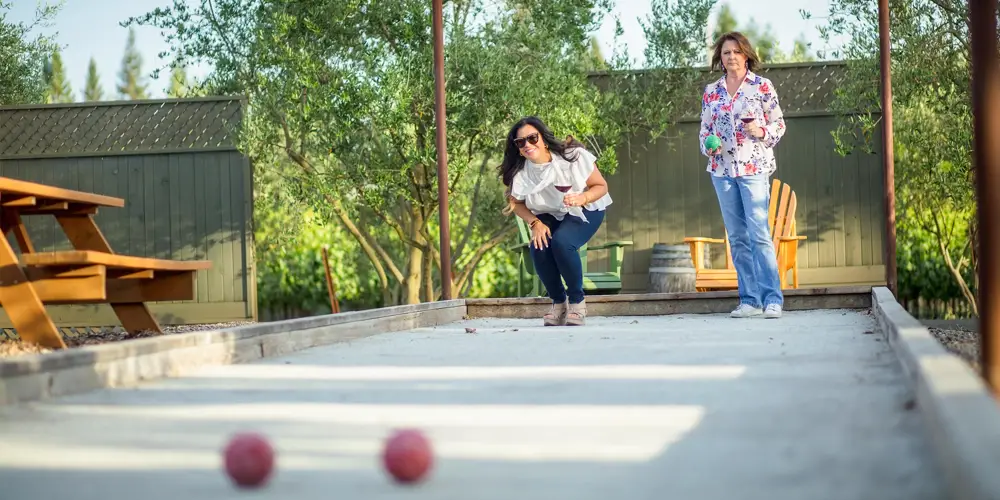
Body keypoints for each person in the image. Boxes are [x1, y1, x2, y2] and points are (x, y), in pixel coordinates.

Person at [699, 31, 787, 319]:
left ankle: (772, 299)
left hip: (754, 169)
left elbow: (779, 125)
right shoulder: (712, 91)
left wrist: (761, 131)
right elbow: (705, 132)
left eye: (736, 52)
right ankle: (749, 301)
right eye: (726, 53)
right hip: (722, 171)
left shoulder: (762, 87)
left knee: (759, 234)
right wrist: (709, 147)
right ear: (720, 59)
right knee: (737, 237)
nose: (731, 57)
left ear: (746, 55)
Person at [498, 116, 613, 327]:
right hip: (549, 212)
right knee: (539, 246)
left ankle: (578, 303)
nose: (527, 145)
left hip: (586, 207)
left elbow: (601, 186)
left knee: (562, 242)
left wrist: (583, 197)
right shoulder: (521, 172)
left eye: (532, 138)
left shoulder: (572, 157)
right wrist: (535, 223)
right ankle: (559, 304)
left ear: (542, 137)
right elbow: (517, 203)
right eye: (520, 142)